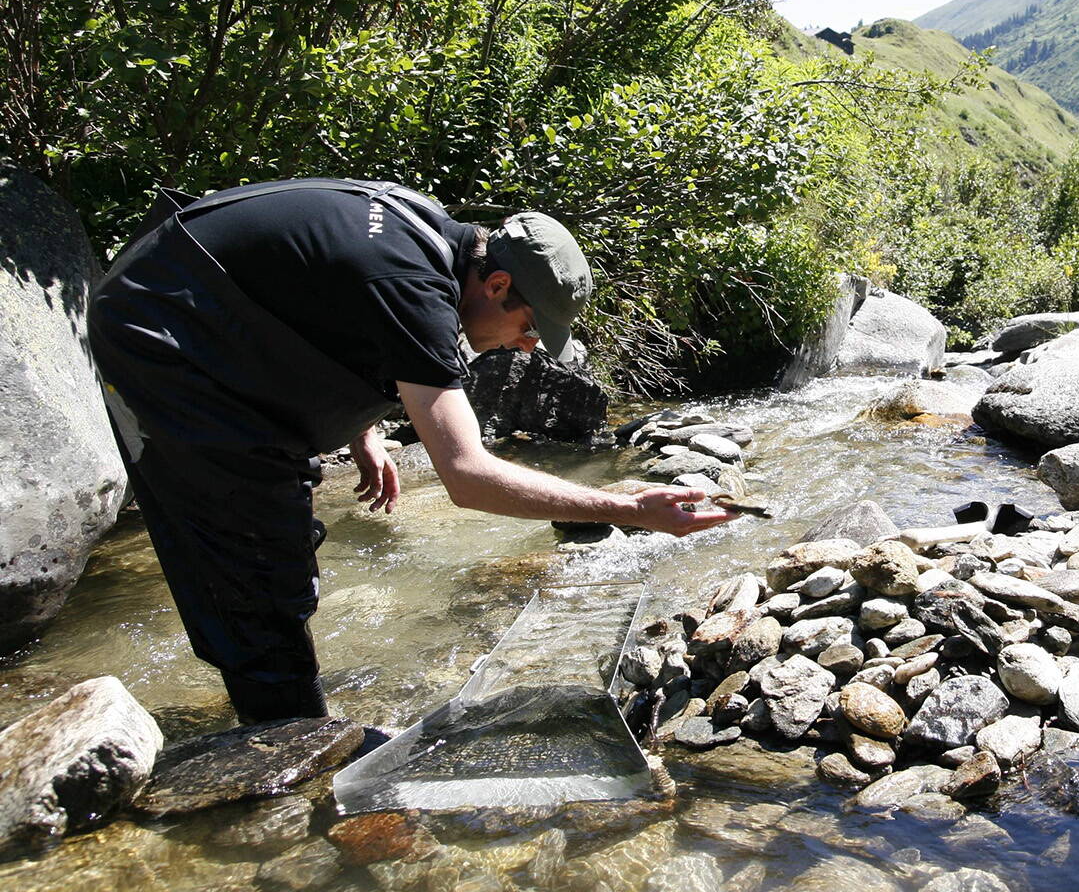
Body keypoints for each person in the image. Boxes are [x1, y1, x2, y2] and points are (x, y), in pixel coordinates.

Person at [87, 177, 737, 724]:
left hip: (202, 309)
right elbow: (466, 476)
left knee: (275, 531)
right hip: (162, 326)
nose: (530, 346)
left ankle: (280, 709)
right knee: (255, 552)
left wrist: (362, 432)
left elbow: (322, 304)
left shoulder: (431, 241)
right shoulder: (414, 285)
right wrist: (626, 508)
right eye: (530, 325)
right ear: (499, 283)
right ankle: (291, 747)